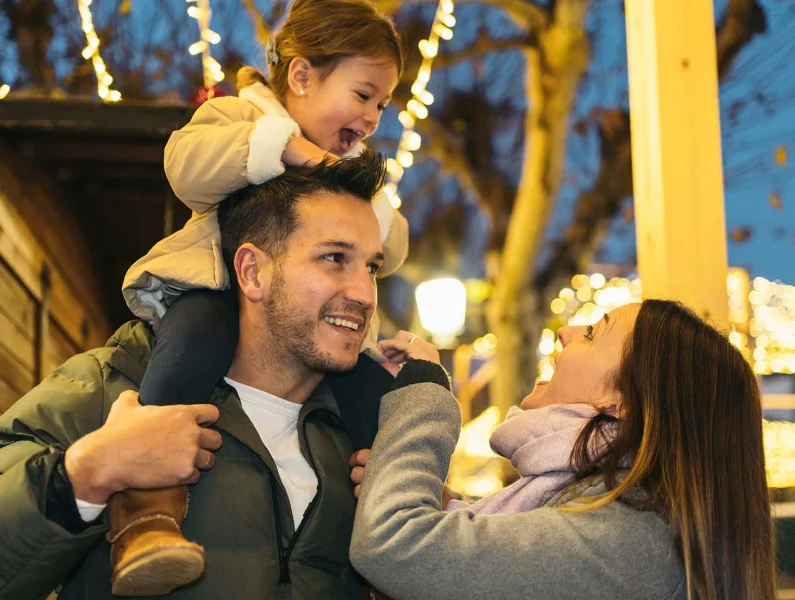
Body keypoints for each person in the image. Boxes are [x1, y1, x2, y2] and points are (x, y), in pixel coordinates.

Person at [0, 153, 389, 599]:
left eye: (372, 268)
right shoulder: (113, 387)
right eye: (335, 258)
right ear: (252, 272)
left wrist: (433, 536)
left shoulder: (366, 436)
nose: (365, 294)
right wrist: (87, 473)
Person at [116, 0, 406, 592]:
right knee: (188, 353)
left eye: (382, 104)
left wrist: (353, 190)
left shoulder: (349, 165)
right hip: (213, 292)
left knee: (379, 396)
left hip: (296, 321)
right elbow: (186, 166)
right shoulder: (240, 116)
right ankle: (146, 511)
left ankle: (389, 521)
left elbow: (395, 245)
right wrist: (287, 150)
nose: (372, 116)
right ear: (301, 76)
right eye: (363, 94)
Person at [350, 300, 776, 600]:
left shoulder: (628, 540)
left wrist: (425, 389)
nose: (566, 332)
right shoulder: (627, 519)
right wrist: (431, 502)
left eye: (592, 334)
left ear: (621, 400)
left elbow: (394, 544)